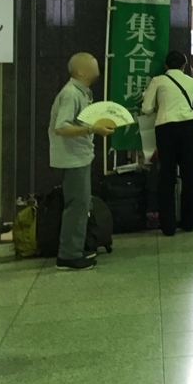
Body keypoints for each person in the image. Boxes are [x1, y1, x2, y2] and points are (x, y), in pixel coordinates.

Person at [48, 53, 114, 270]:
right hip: (72, 159)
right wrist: (92, 129)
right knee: (77, 206)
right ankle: (68, 255)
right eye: (94, 65)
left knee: (80, 205)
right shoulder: (70, 94)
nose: (99, 67)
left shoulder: (81, 93)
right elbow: (61, 127)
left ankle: (75, 248)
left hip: (79, 157)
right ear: (82, 71)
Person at [141, 50, 193, 235]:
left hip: (166, 129)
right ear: (184, 66)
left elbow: (146, 109)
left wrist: (159, 107)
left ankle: (168, 226)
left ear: (166, 66)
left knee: (167, 177)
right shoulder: (192, 81)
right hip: (187, 129)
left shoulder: (158, 81)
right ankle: (189, 222)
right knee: (189, 176)